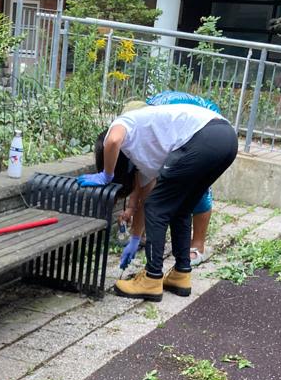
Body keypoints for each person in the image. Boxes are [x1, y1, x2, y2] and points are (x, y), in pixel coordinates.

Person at [80, 100, 238, 302]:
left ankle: (152, 278)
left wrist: (106, 175)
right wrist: (135, 239)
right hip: (227, 140)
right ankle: (181, 274)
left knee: (158, 207)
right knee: (181, 208)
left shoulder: (123, 123)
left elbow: (112, 142)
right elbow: (145, 199)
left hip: (203, 137)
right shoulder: (146, 157)